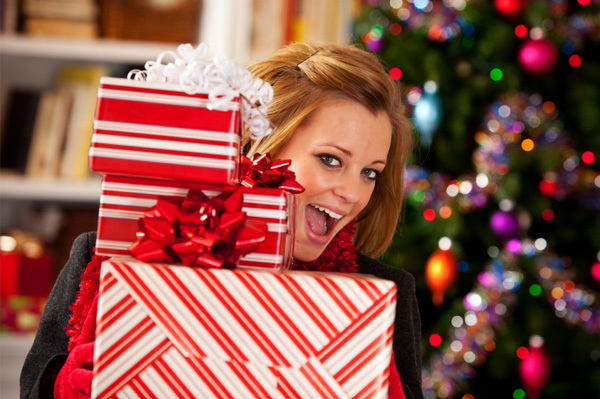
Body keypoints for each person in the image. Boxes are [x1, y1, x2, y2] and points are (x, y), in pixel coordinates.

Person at [20, 42, 423, 399]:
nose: (353, 194)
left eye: (370, 172)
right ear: (260, 146)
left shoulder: (384, 295)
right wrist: (62, 387)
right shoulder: (105, 255)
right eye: (331, 160)